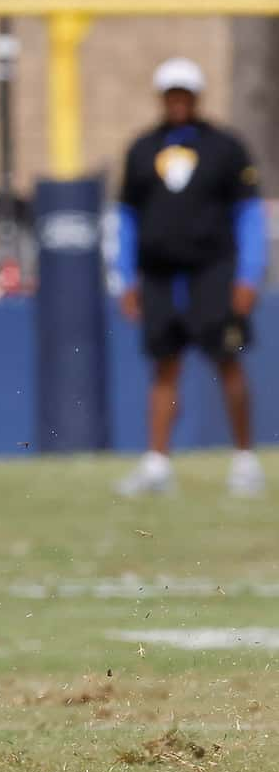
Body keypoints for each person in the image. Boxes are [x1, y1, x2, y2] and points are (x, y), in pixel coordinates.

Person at [114, 58, 264, 500]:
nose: (177, 102)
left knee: (227, 359)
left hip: (213, 271)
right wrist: (125, 276)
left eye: (185, 94)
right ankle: (157, 463)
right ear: (161, 98)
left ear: (196, 97)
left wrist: (249, 274)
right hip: (160, 273)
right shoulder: (141, 149)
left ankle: (244, 461)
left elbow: (249, 214)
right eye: (170, 94)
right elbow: (126, 218)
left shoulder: (226, 148)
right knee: (164, 364)